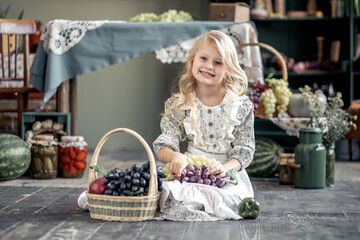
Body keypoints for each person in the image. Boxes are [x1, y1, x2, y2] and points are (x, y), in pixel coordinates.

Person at [153, 30, 255, 221]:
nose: (209, 66)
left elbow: (244, 151)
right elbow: (164, 144)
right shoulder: (180, 103)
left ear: (229, 69)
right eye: (204, 58)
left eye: (218, 62)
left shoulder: (241, 106)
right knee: (170, 191)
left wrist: (225, 168)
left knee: (225, 198)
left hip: (226, 173)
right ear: (192, 60)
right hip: (190, 171)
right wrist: (176, 156)